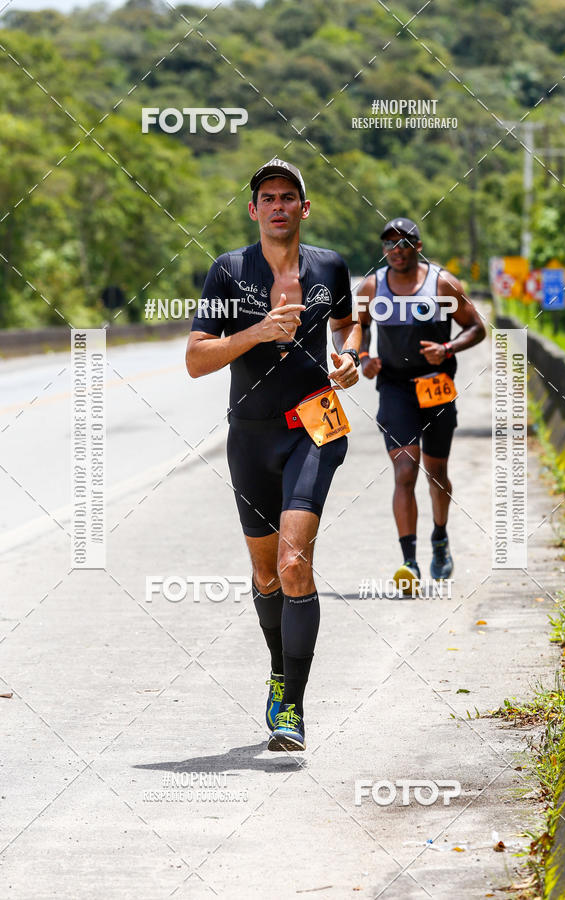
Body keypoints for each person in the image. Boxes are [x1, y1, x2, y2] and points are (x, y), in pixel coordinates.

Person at [186, 159, 361, 751]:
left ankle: (293, 708)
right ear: (255, 208)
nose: (279, 205)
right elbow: (196, 359)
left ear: (303, 209)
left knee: (292, 564)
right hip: (251, 435)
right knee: (265, 574)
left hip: (314, 425)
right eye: (269, 197)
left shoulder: (330, 266)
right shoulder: (228, 272)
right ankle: (280, 673)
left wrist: (349, 359)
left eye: (289, 197)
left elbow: (347, 325)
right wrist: (256, 333)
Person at [357, 217, 485, 589]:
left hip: (436, 387)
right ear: (382, 249)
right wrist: (364, 356)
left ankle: (440, 538)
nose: (397, 250)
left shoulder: (441, 283)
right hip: (395, 389)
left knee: (437, 474)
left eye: (405, 243)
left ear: (418, 246)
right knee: (405, 471)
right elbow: (357, 324)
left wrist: (446, 348)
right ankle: (409, 562)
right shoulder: (372, 286)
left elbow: (477, 327)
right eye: (389, 244)